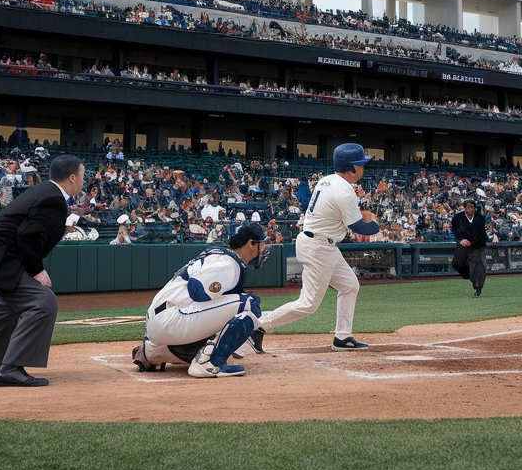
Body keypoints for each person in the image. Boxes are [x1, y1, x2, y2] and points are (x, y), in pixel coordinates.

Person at [0, 155, 86, 388]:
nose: (84, 180)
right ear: (72, 177)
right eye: (82, 176)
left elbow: (30, 229)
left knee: (7, 304)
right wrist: (37, 271)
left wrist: (60, 229)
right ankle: (10, 368)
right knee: (43, 302)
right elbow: (27, 236)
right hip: (1, 255)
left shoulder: (45, 191)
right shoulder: (54, 199)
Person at [252, 143, 379, 352]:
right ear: (352, 168)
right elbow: (358, 227)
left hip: (321, 244)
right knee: (308, 303)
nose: (363, 169)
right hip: (319, 246)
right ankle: (258, 324)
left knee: (349, 285)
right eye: (361, 165)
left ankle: (342, 337)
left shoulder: (328, 180)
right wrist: (374, 223)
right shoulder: (344, 189)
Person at [133, 224, 269, 378]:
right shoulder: (230, 264)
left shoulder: (219, 255)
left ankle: (153, 352)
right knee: (249, 304)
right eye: (261, 244)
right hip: (172, 318)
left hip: (158, 324)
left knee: (223, 321)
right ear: (251, 243)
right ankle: (209, 364)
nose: (263, 249)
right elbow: (197, 289)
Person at [452, 200, 488, 297]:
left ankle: (478, 287)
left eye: (472, 207)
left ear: (474, 208)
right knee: (457, 263)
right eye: (468, 207)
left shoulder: (479, 218)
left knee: (478, 266)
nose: (470, 209)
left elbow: (481, 234)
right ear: (464, 208)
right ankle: (469, 275)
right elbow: (455, 231)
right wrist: (461, 240)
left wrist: (472, 243)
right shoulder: (457, 218)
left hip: (477, 245)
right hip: (463, 244)